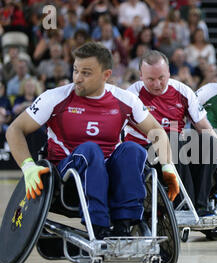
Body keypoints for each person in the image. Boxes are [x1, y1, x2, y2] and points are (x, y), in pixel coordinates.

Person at [6, 42, 179, 240]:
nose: (77, 78)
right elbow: (14, 130)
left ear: (106, 75)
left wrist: (168, 167)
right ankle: (99, 226)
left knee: (134, 150)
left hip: (110, 176)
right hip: (67, 178)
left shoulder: (124, 100)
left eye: (86, 73)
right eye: (75, 70)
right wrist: (28, 166)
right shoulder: (55, 98)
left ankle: (125, 226)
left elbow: (157, 131)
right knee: (90, 150)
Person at [124, 50, 217, 217]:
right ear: (140, 76)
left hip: (178, 146)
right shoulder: (132, 95)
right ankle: (183, 205)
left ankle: (202, 205)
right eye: (150, 79)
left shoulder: (183, 92)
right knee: (172, 140)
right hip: (145, 151)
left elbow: (206, 128)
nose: (157, 84)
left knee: (209, 142)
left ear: (169, 73)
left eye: (161, 78)